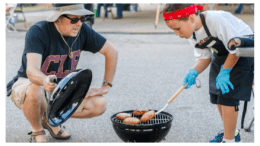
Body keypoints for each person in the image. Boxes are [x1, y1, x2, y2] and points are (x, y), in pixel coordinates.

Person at [6, 3, 118, 142]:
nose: (79, 24)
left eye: (82, 19)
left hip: (59, 90)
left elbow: (112, 52)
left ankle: (49, 118)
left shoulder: (82, 30)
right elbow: (31, 70)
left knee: (99, 104)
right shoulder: (39, 31)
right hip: (30, 83)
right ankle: (37, 130)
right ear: (58, 18)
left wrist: (106, 86)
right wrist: (44, 80)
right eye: (74, 19)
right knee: (36, 89)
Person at [162, 4, 253, 143]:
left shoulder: (215, 20)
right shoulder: (192, 33)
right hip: (223, 52)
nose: (176, 33)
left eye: (177, 28)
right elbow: (204, 57)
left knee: (227, 94)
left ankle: (229, 141)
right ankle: (232, 132)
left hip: (243, 48)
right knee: (217, 93)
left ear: (191, 18)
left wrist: (225, 70)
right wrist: (193, 71)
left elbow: (235, 46)